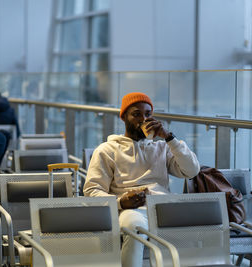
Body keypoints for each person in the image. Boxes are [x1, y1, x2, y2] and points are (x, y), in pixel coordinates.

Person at [83, 92, 200, 267]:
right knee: (134, 226)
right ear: (124, 117)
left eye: (148, 114)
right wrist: (121, 201)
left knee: (198, 226)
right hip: (132, 210)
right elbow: (92, 191)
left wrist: (169, 138)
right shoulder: (107, 150)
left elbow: (191, 170)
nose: (143, 119)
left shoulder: (162, 147)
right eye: (136, 114)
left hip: (163, 206)